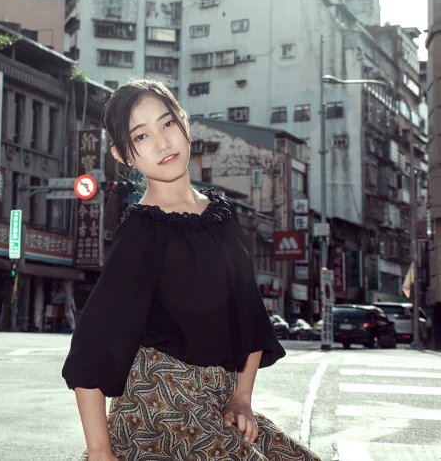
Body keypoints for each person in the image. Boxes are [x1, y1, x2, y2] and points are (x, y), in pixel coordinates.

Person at [62, 79, 321, 461]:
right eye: (142, 135)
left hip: (216, 404)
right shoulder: (142, 231)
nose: (163, 142)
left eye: (167, 124)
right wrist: (101, 453)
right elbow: (92, 346)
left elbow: (250, 315)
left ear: (184, 122)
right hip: (159, 411)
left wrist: (242, 398)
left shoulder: (221, 213)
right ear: (123, 155)